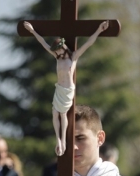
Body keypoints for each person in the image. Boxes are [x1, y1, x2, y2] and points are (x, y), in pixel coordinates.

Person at [24, 20, 109, 156]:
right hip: (59, 88)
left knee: (63, 114)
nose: (57, 51)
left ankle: (63, 140)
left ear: (63, 47)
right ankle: (58, 139)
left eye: (59, 48)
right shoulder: (57, 58)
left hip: (67, 89)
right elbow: (43, 43)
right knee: (55, 113)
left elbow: (88, 44)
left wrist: (99, 30)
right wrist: (32, 31)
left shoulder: (73, 57)